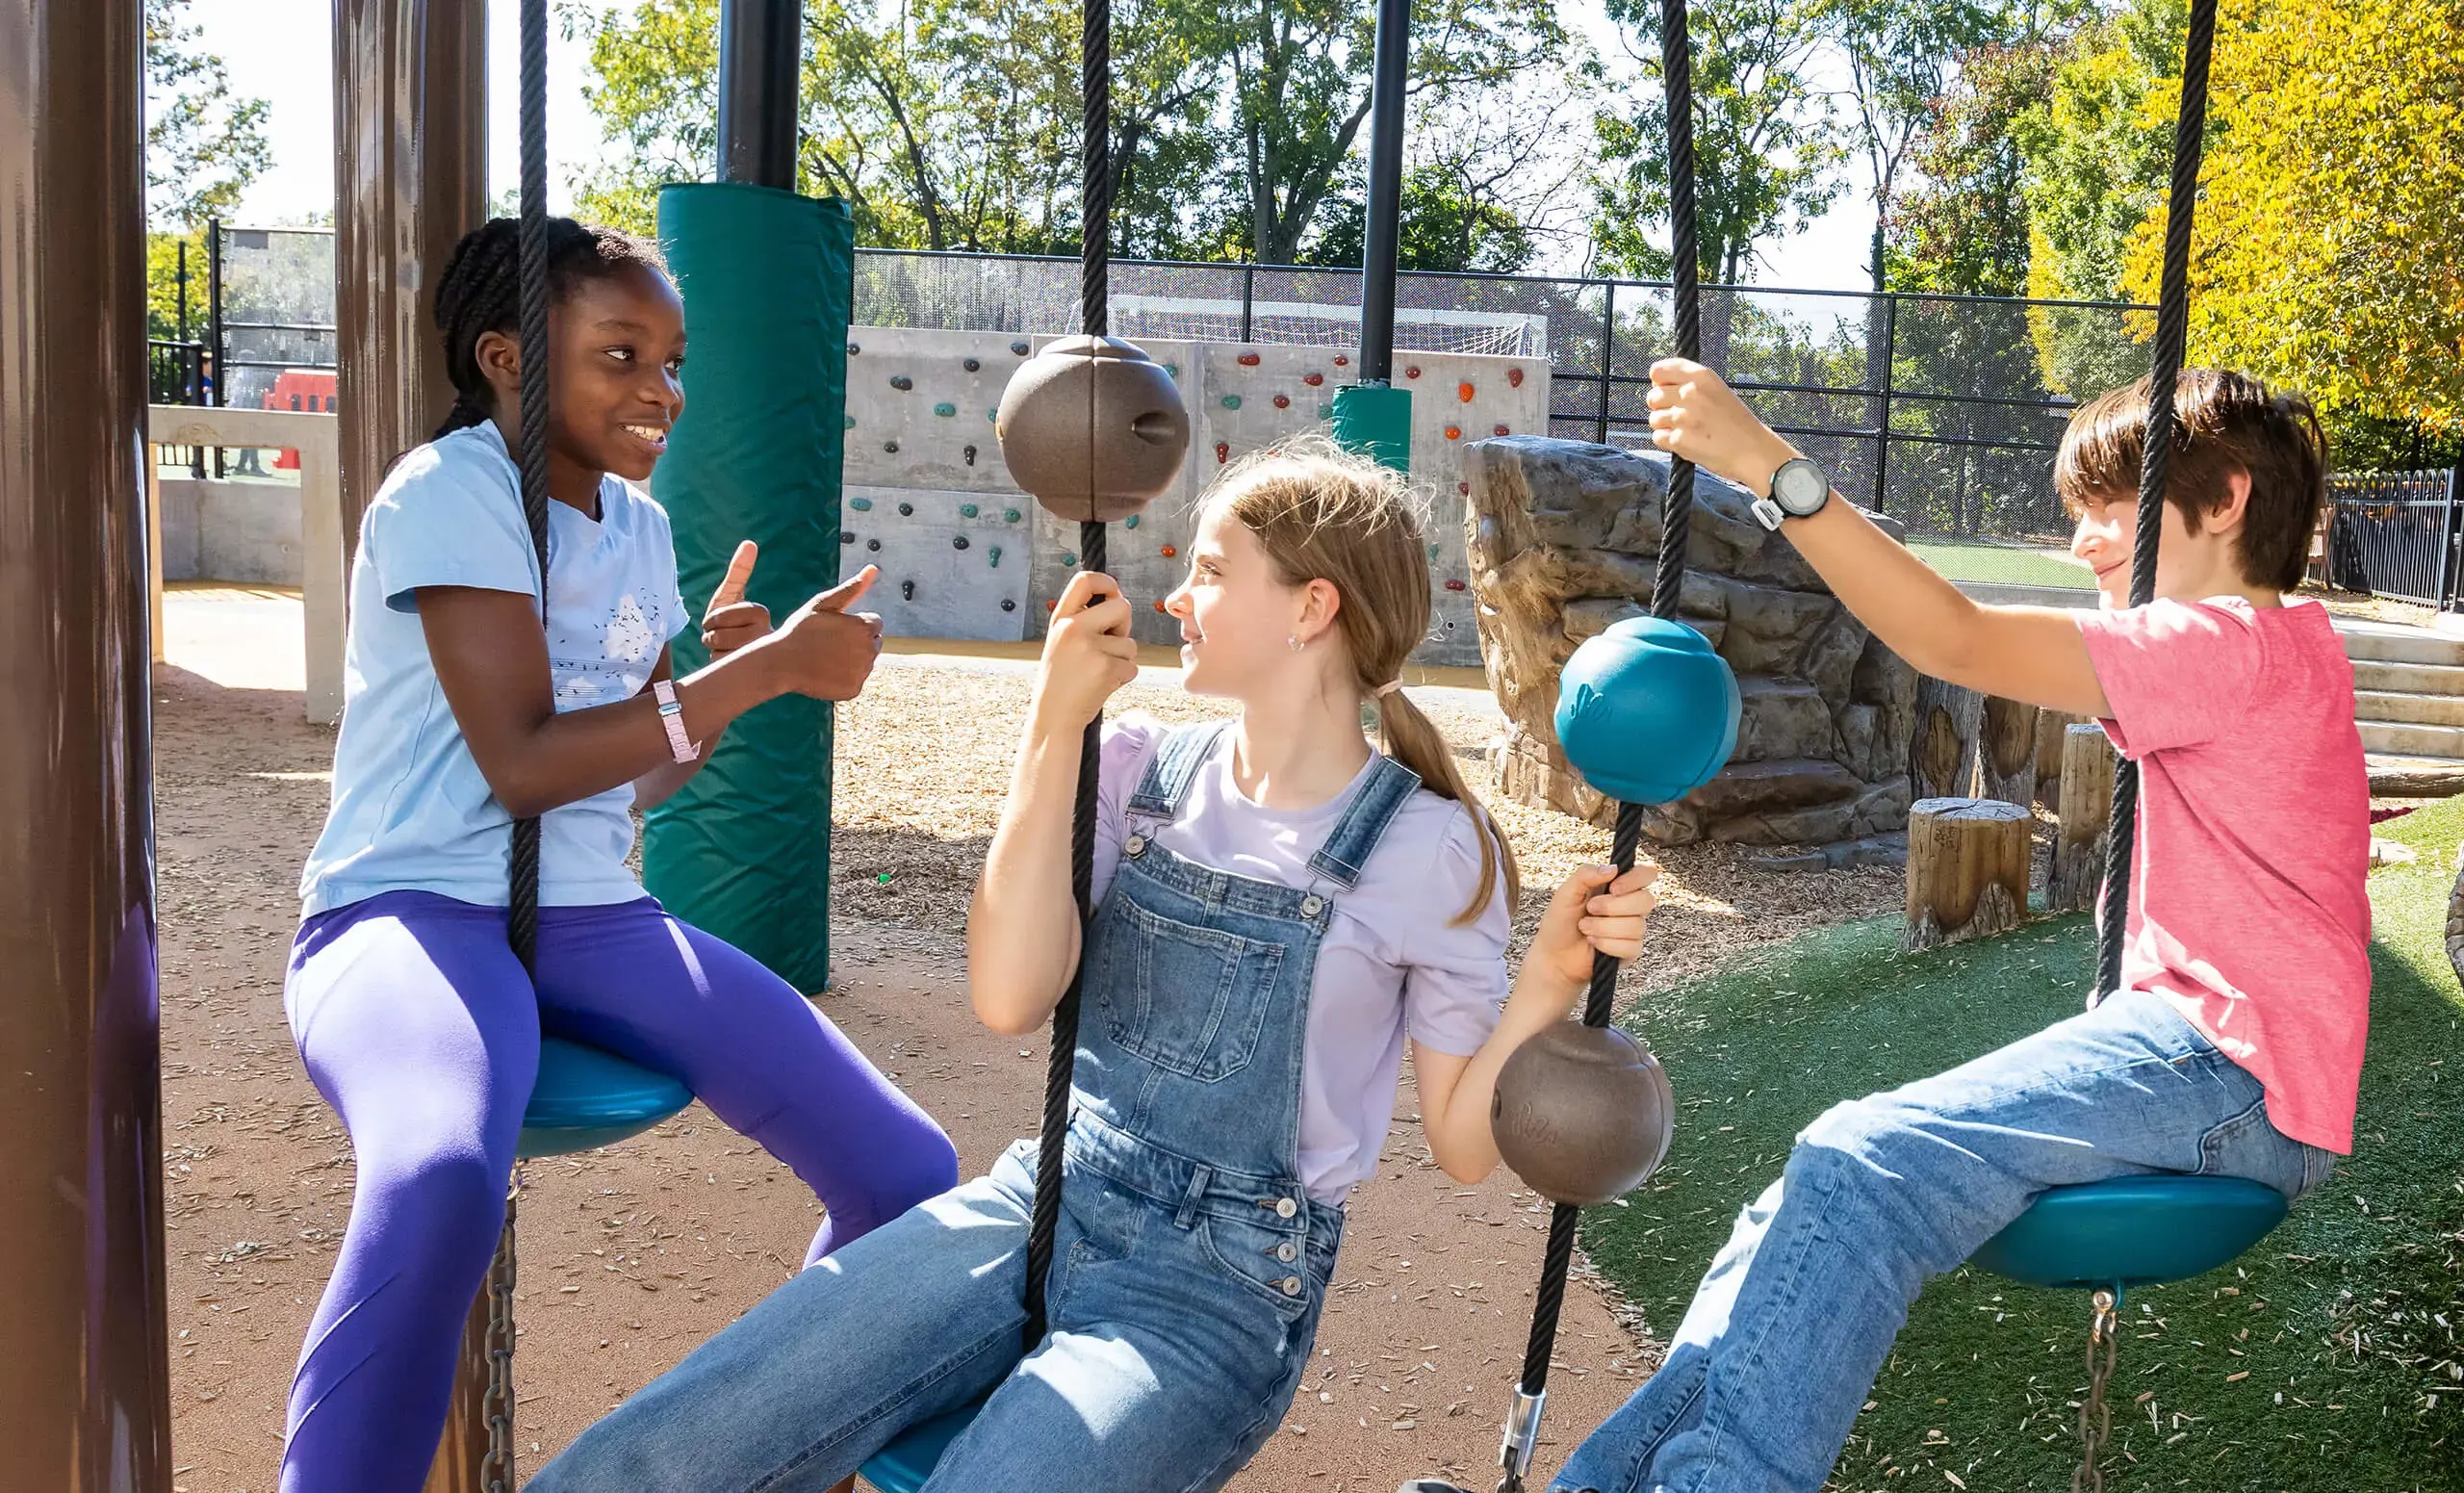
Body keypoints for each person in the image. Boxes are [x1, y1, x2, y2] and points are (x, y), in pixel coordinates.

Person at [529, 438, 1664, 1491]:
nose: (1175, 597)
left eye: (1213, 570)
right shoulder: (1134, 766)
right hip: (1043, 1196)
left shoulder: (1424, 845)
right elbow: (1011, 996)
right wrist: (1052, 729)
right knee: (669, 1445)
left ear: (1312, 608)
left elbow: (1465, 1145)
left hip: (1215, 1292)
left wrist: (1552, 978)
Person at [1540, 363, 2362, 1493]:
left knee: (1862, 1161)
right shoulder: (2269, 653)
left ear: (2220, 499)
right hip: (2219, 1064)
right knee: (1803, 1193)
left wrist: (1768, 470)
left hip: (2230, 1071)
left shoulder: (2222, 645)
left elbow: (1954, 638)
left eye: (2108, 508)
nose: (2081, 542)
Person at [279, 217, 958, 1493]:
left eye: (675, 359)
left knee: (909, 1171)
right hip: (410, 906)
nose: (663, 388)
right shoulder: (454, 491)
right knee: (437, 1173)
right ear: (507, 358)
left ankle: (748, 1451)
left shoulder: (640, 528)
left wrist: (729, 685)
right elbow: (524, 761)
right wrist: (752, 671)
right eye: (621, 354)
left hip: (593, 911)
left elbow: (635, 766)